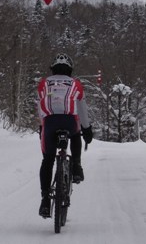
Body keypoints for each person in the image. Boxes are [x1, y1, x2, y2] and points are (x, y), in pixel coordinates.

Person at [37, 53, 93, 218]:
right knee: (75, 135)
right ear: (70, 69)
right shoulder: (76, 83)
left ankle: (46, 199)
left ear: (53, 69)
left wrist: (42, 128)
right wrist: (87, 130)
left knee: (48, 159)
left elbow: (41, 106)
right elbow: (82, 110)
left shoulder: (43, 83)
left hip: (50, 122)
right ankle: (76, 167)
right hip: (69, 121)